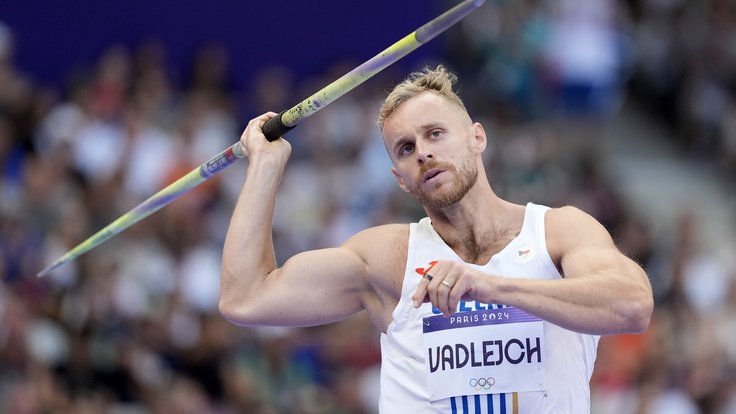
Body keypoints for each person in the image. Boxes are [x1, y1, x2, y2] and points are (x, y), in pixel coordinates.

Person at [219, 65, 653, 413]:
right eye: (405, 149)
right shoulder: (389, 257)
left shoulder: (558, 231)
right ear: (400, 180)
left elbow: (632, 306)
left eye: (435, 133)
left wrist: (492, 286)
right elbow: (245, 298)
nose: (423, 152)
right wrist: (265, 166)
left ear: (477, 137)